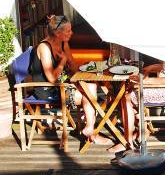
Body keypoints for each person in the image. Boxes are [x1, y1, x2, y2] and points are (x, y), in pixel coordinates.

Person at [28, 15, 112, 145]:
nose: (71, 33)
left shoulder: (63, 43)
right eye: (68, 31)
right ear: (57, 32)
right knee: (89, 94)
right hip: (49, 90)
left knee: (95, 86)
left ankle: (89, 126)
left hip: (64, 84)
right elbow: (51, 78)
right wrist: (62, 62)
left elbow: (73, 67)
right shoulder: (44, 48)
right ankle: (91, 130)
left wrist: (90, 71)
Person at [108, 61, 165, 153]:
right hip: (162, 88)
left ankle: (128, 142)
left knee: (127, 98)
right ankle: (142, 128)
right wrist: (151, 67)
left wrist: (146, 81)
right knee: (129, 90)